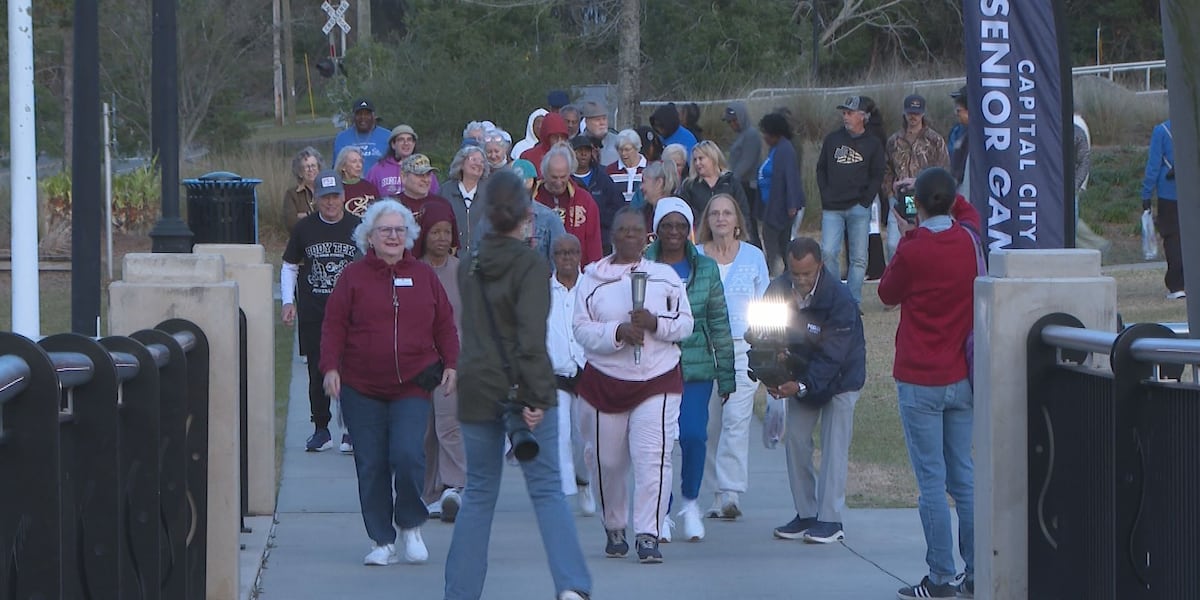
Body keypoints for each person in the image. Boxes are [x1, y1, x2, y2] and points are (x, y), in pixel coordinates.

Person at [446, 171, 592, 600]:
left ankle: (460, 591)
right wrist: (536, 395)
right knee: (546, 491)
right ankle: (572, 584)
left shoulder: (470, 264)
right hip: (522, 386)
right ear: (527, 215)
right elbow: (530, 338)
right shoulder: (530, 264)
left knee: (478, 494)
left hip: (478, 384)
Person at [320, 199, 459, 566]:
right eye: (385, 230)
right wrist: (330, 367)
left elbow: (445, 323)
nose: (393, 236)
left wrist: (451, 363)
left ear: (409, 235)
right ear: (370, 236)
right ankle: (382, 540)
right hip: (361, 387)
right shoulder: (353, 277)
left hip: (412, 384)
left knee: (408, 455)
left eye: (400, 230)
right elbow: (334, 325)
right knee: (371, 464)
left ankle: (410, 524)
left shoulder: (424, 276)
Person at [877, 168, 979, 599]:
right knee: (964, 478)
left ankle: (940, 576)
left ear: (916, 203)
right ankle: (977, 570)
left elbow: (886, 293)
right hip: (961, 374)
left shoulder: (914, 248)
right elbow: (967, 214)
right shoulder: (969, 241)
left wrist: (906, 235)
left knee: (932, 482)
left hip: (920, 377)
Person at [573, 206, 694, 564]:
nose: (630, 236)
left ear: (646, 237)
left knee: (653, 458)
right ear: (612, 235)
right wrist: (617, 332)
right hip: (605, 381)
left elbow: (685, 323)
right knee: (606, 462)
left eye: (636, 231)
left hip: (657, 378)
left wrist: (655, 324)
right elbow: (581, 329)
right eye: (623, 230)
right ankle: (614, 525)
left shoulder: (665, 277)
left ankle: (648, 533)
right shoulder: (591, 279)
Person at [759, 237, 865, 547]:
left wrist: (801, 386)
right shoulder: (778, 289)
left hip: (842, 377)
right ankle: (806, 514)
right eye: (795, 273)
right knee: (795, 440)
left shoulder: (840, 298)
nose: (801, 279)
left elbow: (833, 357)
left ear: (820, 266)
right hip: (802, 372)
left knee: (834, 447)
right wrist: (773, 370)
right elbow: (764, 334)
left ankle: (830, 520)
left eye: (806, 273)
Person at [644, 198, 735, 543]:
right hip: (654, 367)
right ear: (656, 229)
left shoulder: (706, 268)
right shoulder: (643, 265)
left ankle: (690, 504)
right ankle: (661, 511)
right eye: (667, 225)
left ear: (690, 230)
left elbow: (719, 322)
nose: (674, 232)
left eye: (680, 226)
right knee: (660, 443)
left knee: (694, 436)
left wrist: (726, 374)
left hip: (696, 368)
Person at [696, 193, 770, 520]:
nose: (721, 218)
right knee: (710, 424)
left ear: (738, 220)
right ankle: (716, 493)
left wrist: (766, 348)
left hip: (743, 347)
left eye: (727, 213)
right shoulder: (696, 256)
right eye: (715, 213)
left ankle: (731, 492)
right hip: (704, 349)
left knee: (736, 419)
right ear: (707, 221)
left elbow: (765, 302)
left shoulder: (753, 257)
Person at [281, 170, 362, 453]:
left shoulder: (358, 227)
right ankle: (321, 429)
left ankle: (350, 430)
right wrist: (287, 301)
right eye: (325, 197)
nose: (330, 202)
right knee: (318, 370)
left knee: (351, 370)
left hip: (352, 314)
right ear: (315, 198)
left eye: (335, 196)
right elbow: (290, 265)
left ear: (343, 196)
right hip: (315, 311)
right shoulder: (304, 229)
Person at [415, 201, 467, 522]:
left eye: (447, 232)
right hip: (419, 362)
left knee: (449, 424)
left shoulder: (462, 271)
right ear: (424, 234)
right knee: (425, 431)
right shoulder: (413, 269)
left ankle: (454, 487)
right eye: (435, 232)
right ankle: (429, 493)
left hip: (453, 361)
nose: (442, 238)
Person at [815, 96, 886, 304]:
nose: (845, 117)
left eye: (850, 113)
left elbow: (878, 173)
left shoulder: (873, 143)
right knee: (828, 252)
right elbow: (821, 168)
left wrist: (866, 200)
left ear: (862, 116)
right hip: (832, 208)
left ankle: (853, 301)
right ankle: (836, 297)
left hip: (859, 207)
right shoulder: (832, 140)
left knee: (859, 258)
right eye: (844, 113)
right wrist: (825, 194)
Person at [546, 234, 596, 516]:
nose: (567, 257)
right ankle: (563, 494)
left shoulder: (591, 289)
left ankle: (583, 481)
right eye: (561, 252)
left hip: (587, 373)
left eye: (572, 252)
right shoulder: (543, 291)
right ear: (553, 257)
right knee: (560, 433)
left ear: (580, 255)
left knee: (585, 437)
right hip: (556, 373)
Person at [883, 94, 950, 260]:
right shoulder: (894, 141)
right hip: (899, 198)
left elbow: (943, 169)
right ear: (904, 113)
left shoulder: (934, 140)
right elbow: (886, 168)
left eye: (917, 113)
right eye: (910, 112)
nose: (913, 116)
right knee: (893, 244)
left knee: (924, 242)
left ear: (923, 113)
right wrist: (890, 188)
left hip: (925, 199)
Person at [474, 160, 568, 265]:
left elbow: (561, 261)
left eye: (524, 188)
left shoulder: (549, 218)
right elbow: (476, 257)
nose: (519, 194)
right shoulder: (489, 219)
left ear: (534, 186)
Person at [534, 146, 604, 266]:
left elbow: (594, 244)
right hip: (539, 272)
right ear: (544, 173)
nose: (558, 182)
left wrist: (594, 272)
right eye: (554, 177)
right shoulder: (532, 200)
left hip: (577, 272)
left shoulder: (585, 201)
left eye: (563, 177)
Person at [757, 113, 806, 276]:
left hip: (781, 207)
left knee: (776, 242)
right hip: (772, 205)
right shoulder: (776, 149)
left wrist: (792, 204)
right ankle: (783, 273)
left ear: (775, 132)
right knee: (778, 242)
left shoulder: (785, 150)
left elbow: (791, 177)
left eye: (766, 133)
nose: (764, 136)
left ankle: (776, 273)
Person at [1142, 119, 1185, 299]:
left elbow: (1154, 165)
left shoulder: (1162, 131)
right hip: (1191, 193)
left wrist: (1146, 194)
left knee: (1173, 238)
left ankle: (1177, 285)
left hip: (1169, 193)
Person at [679, 140, 751, 234]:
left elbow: (743, 212)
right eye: (695, 160)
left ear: (713, 158)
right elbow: (683, 213)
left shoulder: (731, 182)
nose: (697, 163)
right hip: (700, 236)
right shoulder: (689, 185)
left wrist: (741, 233)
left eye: (701, 158)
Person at [570, 135, 623, 255]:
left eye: (587, 150)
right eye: (579, 150)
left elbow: (618, 207)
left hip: (602, 241)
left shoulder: (603, 177)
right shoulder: (566, 178)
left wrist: (595, 215)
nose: (583, 154)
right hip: (573, 241)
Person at [396, 154, 456, 256]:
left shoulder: (442, 205)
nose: (425, 180)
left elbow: (453, 245)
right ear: (404, 176)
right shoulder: (391, 205)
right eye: (419, 175)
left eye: (428, 175)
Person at [723, 102, 763, 248]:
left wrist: (730, 179)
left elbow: (747, 162)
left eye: (734, 120)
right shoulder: (742, 135)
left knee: (748, 221)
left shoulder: (751, 135)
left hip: (748, 185)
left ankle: (755, 250)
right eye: (729, 122)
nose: (732, 124)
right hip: (740, 183)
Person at [366, 124, 442, 198]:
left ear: (414, 144)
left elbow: (435, 196)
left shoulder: (424, 168)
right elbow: (368, 194)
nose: (406, 143)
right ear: (393, 144)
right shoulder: (378, 169)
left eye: (409, 140)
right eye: (401, 140)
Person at [442, 145, 490, 255]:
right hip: (451, 256)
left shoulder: (490, 193)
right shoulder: (446, 191)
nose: (478, 164)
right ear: (461, 163)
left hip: (481, 257)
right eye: (473, 159)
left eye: (482, 162)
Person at [333, 98, 391, 173]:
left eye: (367, 114)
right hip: (351, 180)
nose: (363, 117)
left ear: (373, 116)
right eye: (359, 114)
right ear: (353, 116)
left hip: (379, 180)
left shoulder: (387, 136)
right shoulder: (341, 138)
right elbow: (336, 168)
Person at [630, 161, 679, 232]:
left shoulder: (678, 212)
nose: (641, 187)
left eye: (644, 181)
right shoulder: (644, 212)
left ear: (659, 183)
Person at [283, 146, 322, 232]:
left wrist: (307, 215)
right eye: (306, 167)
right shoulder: (291, 194)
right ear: (300, 173)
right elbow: (291, 223)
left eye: (313, 166)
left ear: (319, 169)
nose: (310, 169)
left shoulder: (327, 191)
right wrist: (318, 216)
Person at [521, 111, 571, 177]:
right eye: (555, 137)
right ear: (547, 137)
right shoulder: (528, 157)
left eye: (563, 137)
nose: (560, 141)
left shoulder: (570, 156)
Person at [335, 147, 380, 218]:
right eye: (354, 162)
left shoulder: (370, 187)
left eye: (360, 161)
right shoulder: (337, 189)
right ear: (343, 166)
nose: (359, 165)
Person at [607, 128, 647, 203]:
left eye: (627, 150)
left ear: (637, 148)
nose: (623, 153)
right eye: (620, 150)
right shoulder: (610, 170)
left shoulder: (649, 168)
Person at [580, 101, 620, 166]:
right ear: (587, 122)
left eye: (604, 119)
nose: (602, 123)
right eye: (597, 120)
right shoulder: (577, 143)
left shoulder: (618, 142)